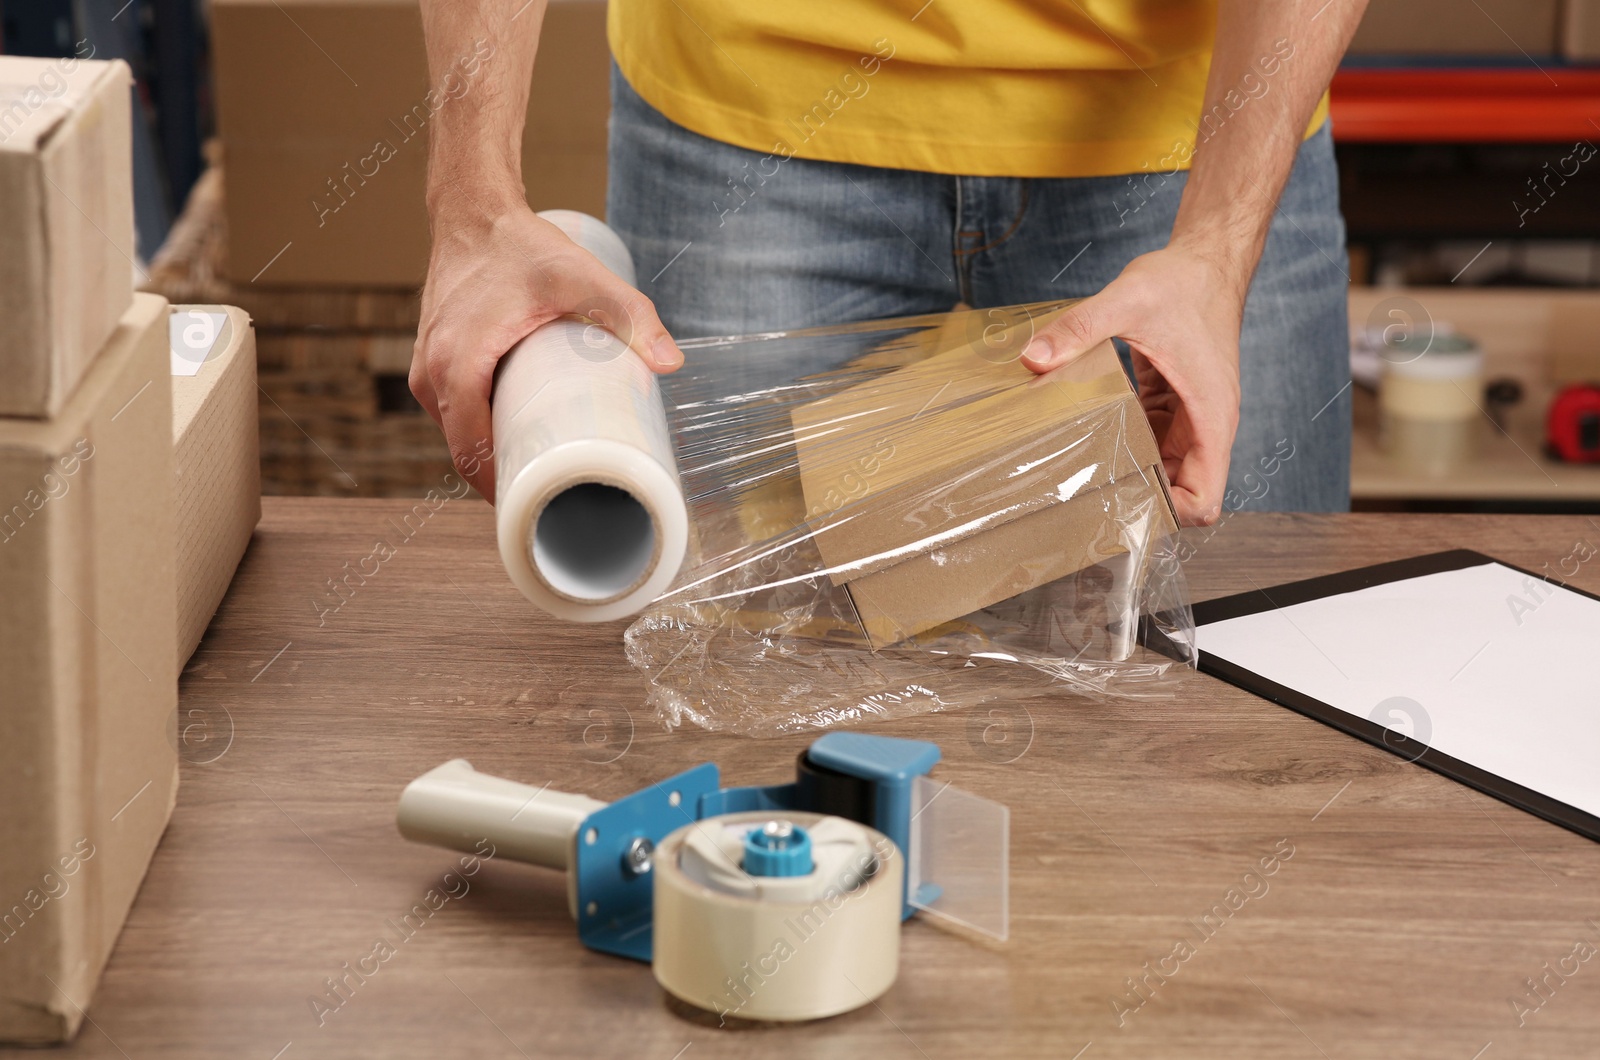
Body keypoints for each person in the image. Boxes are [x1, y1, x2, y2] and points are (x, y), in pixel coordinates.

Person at [409, 0, 1367, 525]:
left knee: (1250, 667)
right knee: (715, 656)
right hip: (751, 97)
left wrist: (1214, 248)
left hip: (1198, 129)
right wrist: (475, 203)